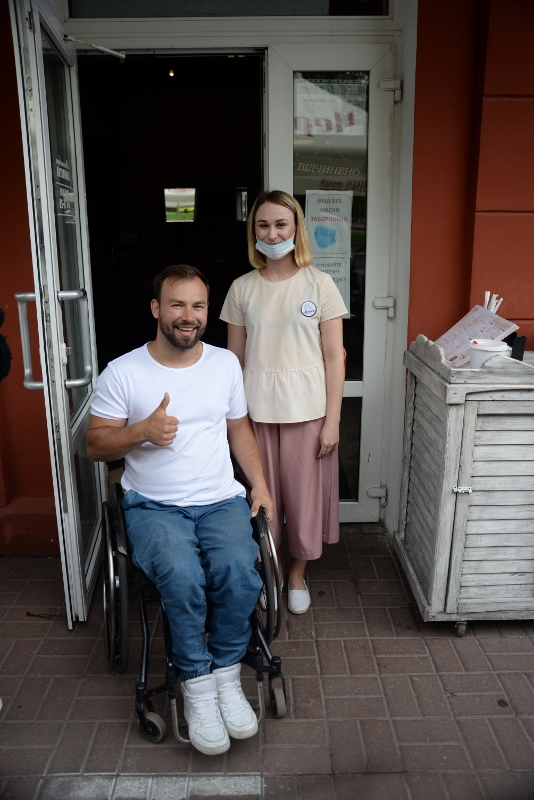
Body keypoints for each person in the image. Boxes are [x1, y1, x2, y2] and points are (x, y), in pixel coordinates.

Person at [87, 264, 274, 757]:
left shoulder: (224, 364)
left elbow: (238, 428)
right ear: (156, 309)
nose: (188, 316)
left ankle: (227, 674)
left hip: (219, 500)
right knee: (182, 575)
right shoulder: (124, 371)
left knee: (239, 571)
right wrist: (141, 432)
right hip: (154, 505)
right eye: (176, 304)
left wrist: (260, 484)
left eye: (197, 306)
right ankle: (196, 684)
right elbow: (95, 444)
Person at [220, 190, 347, 616]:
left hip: (308, 412)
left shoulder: (320, 284)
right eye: (263, 225)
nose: (272, 233)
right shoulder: (242, 288)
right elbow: (234, 360)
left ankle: (296, 574)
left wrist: (333, 421)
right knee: (262, 499)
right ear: (253, 231)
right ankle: (269, 571)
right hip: (256, 413)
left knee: (305, 501)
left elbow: (334, 358)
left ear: (296, 229)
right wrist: (228, 417)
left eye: (280, 224)